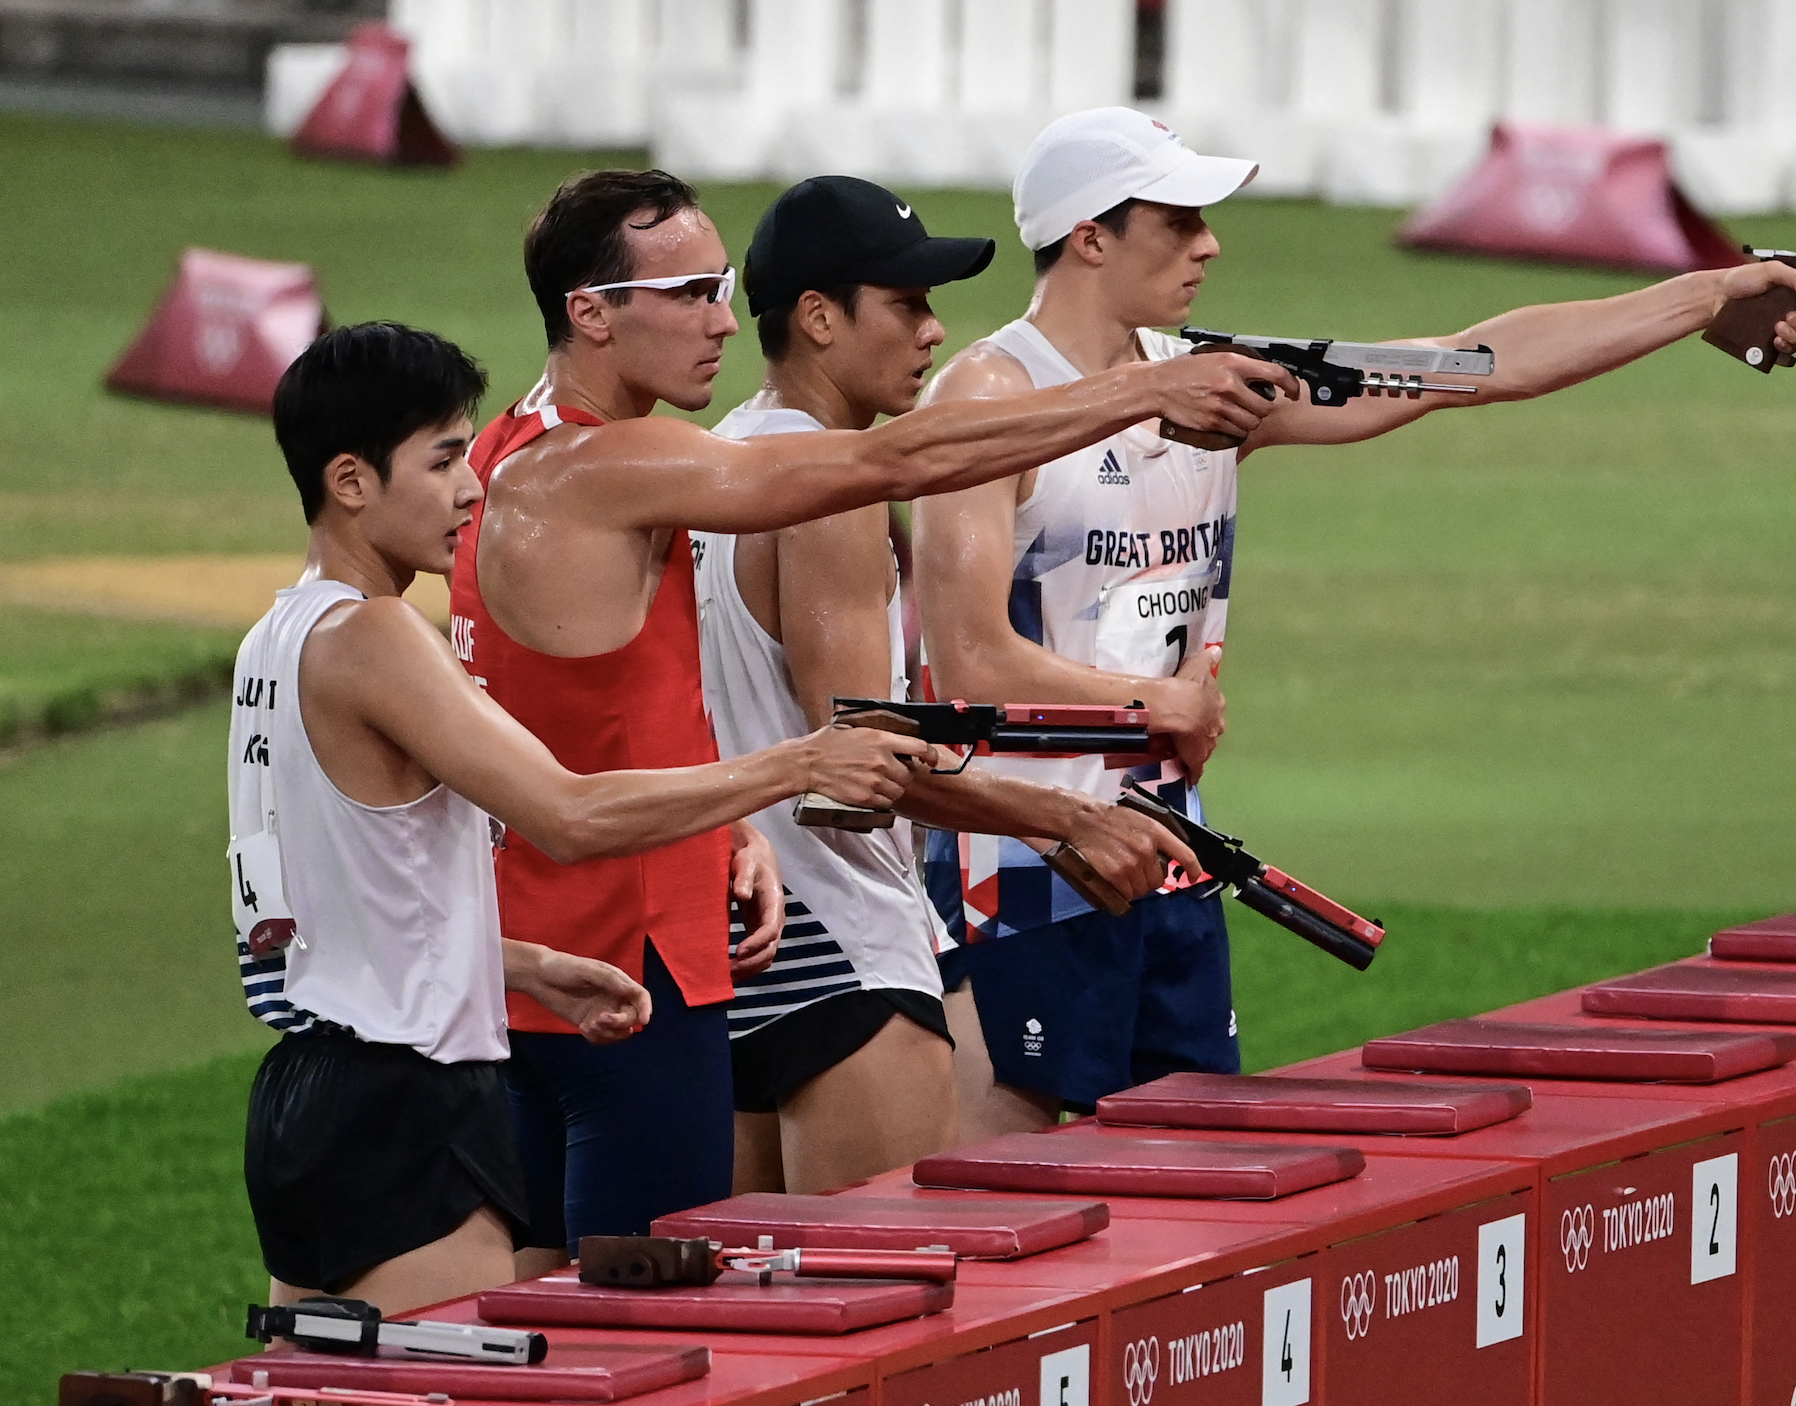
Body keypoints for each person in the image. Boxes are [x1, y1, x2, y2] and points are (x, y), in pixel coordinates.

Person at [914, 107, 1796, 1135]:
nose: (1210, 243)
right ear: (1089, 236)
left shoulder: (1214, 382)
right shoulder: (991, 394)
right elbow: (968, 655)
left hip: (1171, 848)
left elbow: (1472, 363)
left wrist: (1703, 297)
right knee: (1009, 1184)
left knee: (1189, 1184)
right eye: (1178, 220)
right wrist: (1157, 700)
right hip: (1026, 859)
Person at [448, 169, 1289, 1247]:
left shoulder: (512, 460)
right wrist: (1136, 391)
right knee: (851, 1310)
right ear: (591, 312)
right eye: (695, 291)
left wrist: (734, 830)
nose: (719, 316)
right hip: (731, 952)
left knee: (584, 1318)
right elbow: (896, 483)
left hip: (589, 955)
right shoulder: (631, 464)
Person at [236, 321, 933, 1314]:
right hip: (408, 1096)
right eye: (441, 462)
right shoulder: (379, 637)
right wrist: (796, 764)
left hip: (304, 1095)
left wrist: (516, 962)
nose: (473, 489)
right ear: (350, 481)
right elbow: (567, 810)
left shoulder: (277, 634)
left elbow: (316, 908)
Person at [698, 176, 1201, 1195]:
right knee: (881, 1316)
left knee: (744, 1324)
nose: (935, 333)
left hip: (733, 942)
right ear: (819, 318)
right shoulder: (829, 484)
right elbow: (853, 764)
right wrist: (1059, 816)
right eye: (906, 303)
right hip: (843, 942)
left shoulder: (717, 462)